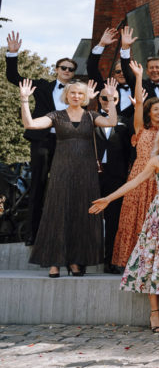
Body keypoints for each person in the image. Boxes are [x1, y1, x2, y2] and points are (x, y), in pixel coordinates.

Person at [91, 122, 159, 332]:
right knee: (155, 261)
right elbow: (135, 182)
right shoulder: (156, 160)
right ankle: (154, 313)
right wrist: (109, 198)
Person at [17, 78, 119, 277]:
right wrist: (24, 100)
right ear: (66, 95)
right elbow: (29, 124)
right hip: (61, 170)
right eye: (72, 93)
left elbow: (112, 121)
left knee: (81, 214)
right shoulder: (56, 115)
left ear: (85, 97)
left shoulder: (91, 116)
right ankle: (55, 261)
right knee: (58, 213)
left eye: (80, 93)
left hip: (87, 172)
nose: (76, 96)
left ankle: (74, 261)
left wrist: (112, 100)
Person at [5, 31, 92, 245]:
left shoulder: (79, 94)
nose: (67, 72)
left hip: (69, 144)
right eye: (63, 68)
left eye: (71, 69)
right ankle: (32, 234)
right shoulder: (43, 86)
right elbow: (13, 78)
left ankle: (65, 233)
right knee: (38, 184)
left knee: (67, 186)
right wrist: (12, 55)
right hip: (43, 141)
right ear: (57, 70)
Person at [111, 61, 159, 269]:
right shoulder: (140, 128)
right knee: (131, 217)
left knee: (151, 220)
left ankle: (150, 261)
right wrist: (138, 77)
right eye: (155, 109)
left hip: (158, 177)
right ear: (149, 112)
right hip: (138, 175)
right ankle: (128, 261)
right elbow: (138, 103)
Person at [93, 85, 133, 274]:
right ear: (98, 99)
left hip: (117, 176)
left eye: (114, 99)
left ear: (118, 101)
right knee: (89, 216)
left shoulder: (125, 122)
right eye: (104, 98)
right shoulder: (91, 119)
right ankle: (84, 258)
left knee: (113, 220)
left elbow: (132, 150)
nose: (109, 102)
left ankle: (109, 260)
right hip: (93, 175)